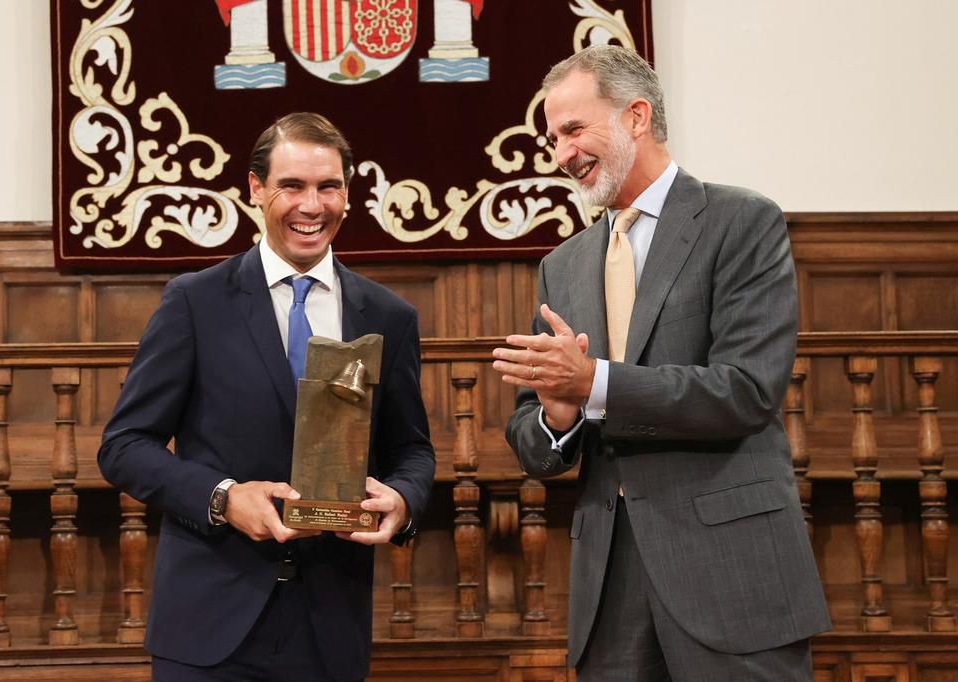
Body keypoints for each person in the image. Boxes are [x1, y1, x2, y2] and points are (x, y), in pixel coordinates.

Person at [491, 46, 830, 681]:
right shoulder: (560, 266)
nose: (561, 154)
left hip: (729, 570)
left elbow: (746, 391)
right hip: (610, 582)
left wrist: (593, 383)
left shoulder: (740, 221)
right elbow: (534, 443)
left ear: (637, 116)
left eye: (572, 130)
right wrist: (558, 417)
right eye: (552, 138)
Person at [98, 112, 435, 682]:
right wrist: (223, 497)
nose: (312, 205)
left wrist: (402, 501)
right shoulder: (195, 303)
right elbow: (124, 445)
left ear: (347, 195)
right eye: (293, 186)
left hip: (329, 629)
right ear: (255, 188)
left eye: (329, 187)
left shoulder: (388, 317)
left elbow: (413, 451)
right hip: (208, 628)